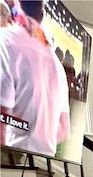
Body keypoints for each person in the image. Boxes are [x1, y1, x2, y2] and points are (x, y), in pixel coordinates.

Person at [0, 0, 70, 156]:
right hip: (43, 162)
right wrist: (34, 130)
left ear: (17, 8)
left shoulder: (5, 41)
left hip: (10, 159)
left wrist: (23, 129)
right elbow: (63, 130)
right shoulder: (58, 66)